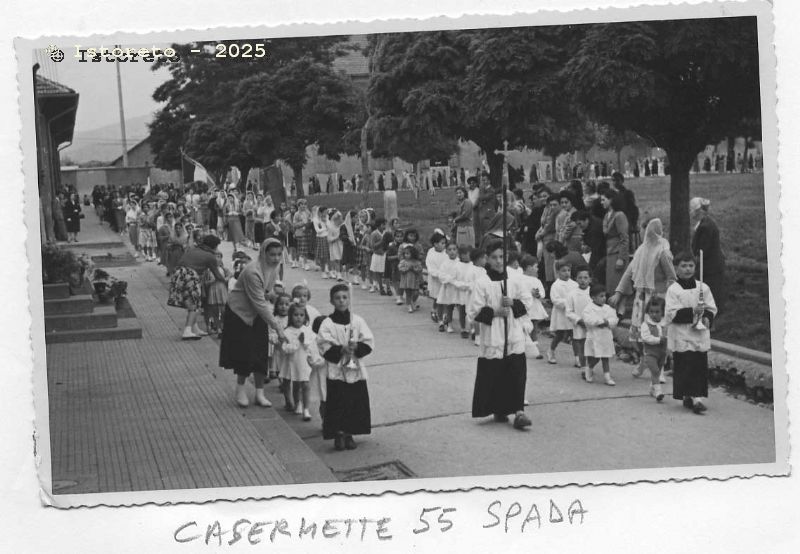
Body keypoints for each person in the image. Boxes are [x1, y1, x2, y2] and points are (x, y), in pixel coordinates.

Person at [468, 240, 533, 430]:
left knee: (516, 370)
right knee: (495, 371)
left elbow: (528, 302)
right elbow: (473, 311)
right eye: (494, 257)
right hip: (494, 334)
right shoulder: (482, 283)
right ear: (487, 259)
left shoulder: (514, 279)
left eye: (501, 257)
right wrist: (495, 311)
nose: (498, 261)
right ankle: (499, 408)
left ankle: (519, 411)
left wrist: (512, 302)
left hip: (513, 332)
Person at [220, 238, 289, 408]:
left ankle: (260, 393)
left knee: (260, 352)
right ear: (263, 253)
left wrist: (276, 296)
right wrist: (278, 327)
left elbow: (267, 292)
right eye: (272, 254)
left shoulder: (274, 267)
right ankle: (241, 390)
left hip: (257, 313)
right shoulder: (253, 271)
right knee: (244, 353)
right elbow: (259, 303)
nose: (276, 258)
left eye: (279, 254)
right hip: (240, 313)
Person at [608, 218, 676, 374]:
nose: (642, 233)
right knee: (638, 334)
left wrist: (669, 297)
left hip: (657, 298)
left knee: (657, 332)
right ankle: (643, 360)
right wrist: (618, 293)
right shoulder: (640, 251)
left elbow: (671, 277)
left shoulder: (663, 252)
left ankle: (660, 366)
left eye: (644, 229)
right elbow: (629, 272)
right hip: (641, 298)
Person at [316, 284, 375, 451]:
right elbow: (322, 343)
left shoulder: (357, 320)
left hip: (354, 368)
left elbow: (369, 341)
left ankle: (350, 433)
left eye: (344, 297)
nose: (341, 301)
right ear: (331, 301)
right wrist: (341, 349)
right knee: (338, 401)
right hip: (336, 369)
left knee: (354, 401)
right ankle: (338, 433)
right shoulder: (327, 323)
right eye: (337, 298)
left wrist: (356, 347)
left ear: (349, 300)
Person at [664, 251, 717, 414]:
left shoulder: (703, 287)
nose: (687, 269)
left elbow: (711, 307)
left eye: (691, 265)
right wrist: (693, 311)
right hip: (682, 333)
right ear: (676, 268)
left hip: (699, 334)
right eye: (683, 266)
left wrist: (707, 317)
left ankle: (697, 398)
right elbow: (672, 313)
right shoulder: (674, 290)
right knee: (685, 365)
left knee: (698, 364)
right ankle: (688, 395)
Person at [168, 234, 227, 340]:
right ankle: (187, 330)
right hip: (190, 275)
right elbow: (218, 275)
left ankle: (194, 328)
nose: (217, 249)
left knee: (194, 302)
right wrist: (226, 281)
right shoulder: (210, 256)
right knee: (194, 304)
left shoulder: (194, 249)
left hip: (178, 273)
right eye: (217, 246)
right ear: (213, 246)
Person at [281, 302, 317, 421]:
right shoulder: (287, 331)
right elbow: (285, 348)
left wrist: (305, 341)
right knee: (296, 384)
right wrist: (297, 342)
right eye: (295, 315)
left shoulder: (308, 330)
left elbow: (312, 345)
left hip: (305, 362)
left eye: (301, 315)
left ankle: (306, 409)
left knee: (306, 385)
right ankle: (298, 403)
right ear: (290, 316)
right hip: (293, 362)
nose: (298, 317)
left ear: (305, 317)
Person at [690, 197, 726, 314]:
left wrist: (695, 262)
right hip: (711, 264)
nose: (691, 214)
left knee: (711, 291)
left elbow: (702, 250)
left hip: (711, 265)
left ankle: (711, 317)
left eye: (693, 211)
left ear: (699, 211)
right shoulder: (704, 223)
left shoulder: (705, 226)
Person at [581, 284, 619, 385]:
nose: (604, 298)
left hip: (605, 337)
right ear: (593, 297)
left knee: (605, 357)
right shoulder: (588, 309)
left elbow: (614, 319)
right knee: (596, 357)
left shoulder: (608, 308)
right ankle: (589, 369)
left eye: (604, 296)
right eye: (601, 296)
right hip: (594, 337)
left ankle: (607, 377)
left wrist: (608, 322)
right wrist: (600, 322)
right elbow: (588, 320)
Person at [547, 260, 578, 364]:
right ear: (558, 272)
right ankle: (551, 351)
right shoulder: (556, 285)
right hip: (561, 314)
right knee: (559, 335)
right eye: (563, 271)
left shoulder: (574, 284)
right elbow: (555, 300)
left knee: (574, 335)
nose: (567, 273)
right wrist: (568, 302)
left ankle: (578, 358)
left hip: (572, 314)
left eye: (569, 270)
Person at [601, 189, 630, 297]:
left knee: (619, 285)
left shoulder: (619, 215)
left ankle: (620, 310)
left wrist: (621, 258)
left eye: (604, 200)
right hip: (610, 252)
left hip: (618, 253)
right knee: (612, 284)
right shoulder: (607, 215)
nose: (601, 202)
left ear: (611, 200)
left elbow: (624, 238)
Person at [639, 296, 668, 402]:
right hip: (650, 353)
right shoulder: (646, 325)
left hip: (662, 353)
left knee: (658, 370)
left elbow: (669, 336)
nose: (654, 314)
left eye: (657, 312)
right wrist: (658, 340)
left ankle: (652, 389)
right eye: (651, 311)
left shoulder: (665, 324)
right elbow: (646, 338)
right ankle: (658, 392)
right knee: (656, 372)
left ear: (663, 312)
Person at [518, 255, 547, 359]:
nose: (537, 269)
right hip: (525, 307)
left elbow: (542, 293)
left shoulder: (537, 280)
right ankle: (525, 346)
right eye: (536, 266)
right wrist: (528, 293)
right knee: (525, 327)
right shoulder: (520, 279)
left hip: (534, 307)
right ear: (529, 267)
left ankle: (534, 348)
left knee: (534, 326)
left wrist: (537, 294)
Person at [565, 266, 593, 374]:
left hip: (591, 324)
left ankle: (590, 366)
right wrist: (579, 320)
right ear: (576, 279)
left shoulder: (593, 293)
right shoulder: (572, 294)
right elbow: (569, 312)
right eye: (580, 278)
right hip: (579, 324)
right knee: (581, 345)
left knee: (591, 346)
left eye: (585, 278)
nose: (583, 280)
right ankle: (583, 368)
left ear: (590, 279)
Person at [202, 251, 231, 335]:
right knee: (215, 311)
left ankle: (222, 325)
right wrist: (212, 281)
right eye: (215, 256)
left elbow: (230, 276)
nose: (217, 258)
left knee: (223, 310)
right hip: (213, 290)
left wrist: (225, 279)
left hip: (222, 290)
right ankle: (217, 327)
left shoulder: (224, 269)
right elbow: (205, 282)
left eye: (219, 256)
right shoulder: (208, 270)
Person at [425, 231, 448, 324]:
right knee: (437, 297)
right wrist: (438, 274)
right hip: (436, 279)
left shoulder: (446, 253)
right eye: (442, 243)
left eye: (444, 243)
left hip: (445, 279)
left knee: (445, 297)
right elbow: (430, 266)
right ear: (435, 244)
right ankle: (434, 310)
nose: (444, 245)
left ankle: (445, 313)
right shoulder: (431, 253)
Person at [269, 293, 291, 386]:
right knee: (279, 367)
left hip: (289, 349)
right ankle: (282, 383)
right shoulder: (274, 320)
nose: (283, 307)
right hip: (279, 349)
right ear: (276, 305)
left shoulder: (291, 318)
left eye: (286, 304)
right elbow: (271, 334)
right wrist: (277, 339)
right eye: (281, 304)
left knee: (289, 367)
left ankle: (286, 383)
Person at [398, 243, 424, 313]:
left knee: (416, 292)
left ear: (413, 254)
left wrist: (414, 269)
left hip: (415, 280)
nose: (406, 255)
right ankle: (409, 305)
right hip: (406, 281)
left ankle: (412, 301)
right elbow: (400, 269)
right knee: (408, 293)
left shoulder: (416, 262)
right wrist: (407, 269)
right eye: (405, 253)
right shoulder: (403, 261)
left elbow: (420, 269)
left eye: (408, 253)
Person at [369, 217, 388, 294]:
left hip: (384, 254)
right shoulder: (374, 234)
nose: (384, 226)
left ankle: (384, 286)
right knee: (378, 272)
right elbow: (373, 246)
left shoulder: (386, 233)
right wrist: (382, 241)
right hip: (377, 255)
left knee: (384, 272)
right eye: (383, 225)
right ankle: (380, 287)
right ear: (379, 225)